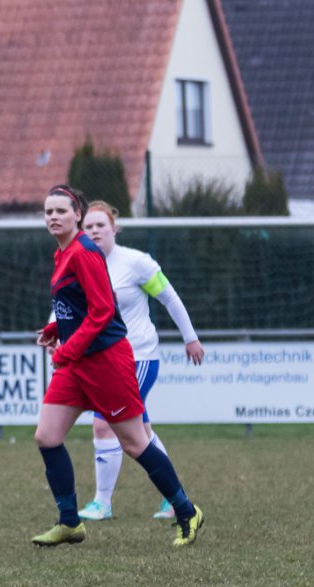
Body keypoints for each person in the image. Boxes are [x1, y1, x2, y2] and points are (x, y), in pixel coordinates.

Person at [32, 185, 204, 548]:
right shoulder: (61, 253)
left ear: (76, 214)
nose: (53, 217)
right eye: (48, 211)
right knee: (47, 437)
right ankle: (69, 522)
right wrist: (54, 329)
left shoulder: (84, 253)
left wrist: (65, 350)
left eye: (60, 211)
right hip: (78, 364)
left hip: (107, 362)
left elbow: (102, 312)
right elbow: (78, 307)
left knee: (134, 442)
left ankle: (186, 510)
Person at [77, 201, 205, 521]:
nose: (94, 232)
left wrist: (190, 337)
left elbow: (169, 298)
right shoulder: (80, 265)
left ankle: (101, 503)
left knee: (105, 422)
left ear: (114, 229)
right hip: (103, 362)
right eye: (88, 227)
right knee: (140, 431)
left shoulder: (135, 263)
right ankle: (174, 500)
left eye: (100, 226)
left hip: (139, 357)